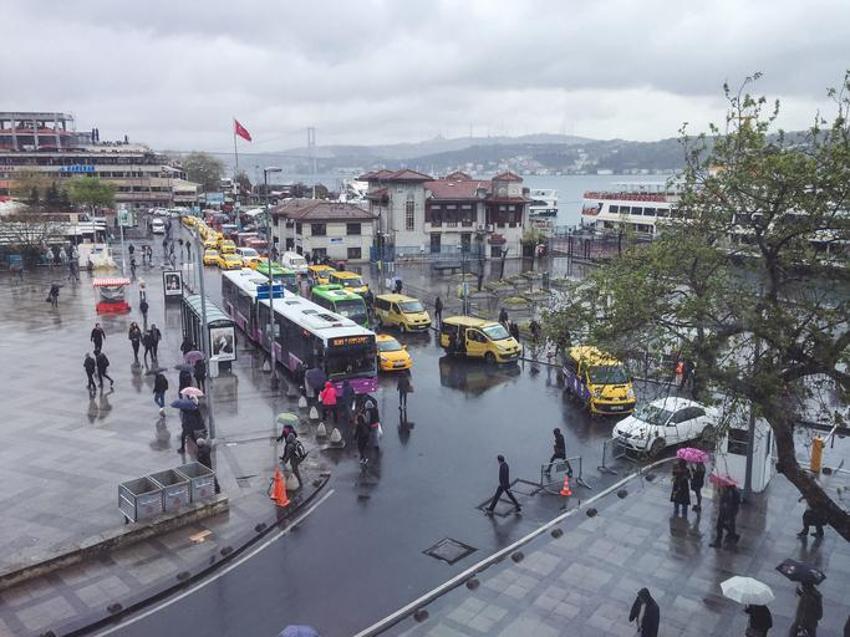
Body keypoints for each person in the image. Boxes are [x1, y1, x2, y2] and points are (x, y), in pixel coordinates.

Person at [709, 482, 741, 547]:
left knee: (720, 526)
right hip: (727, 512)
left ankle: (719, 542)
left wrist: (726, 513)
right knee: (723, 525)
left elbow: (726, 503)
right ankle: (732, 535)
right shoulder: (732, 491)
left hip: (726, 512)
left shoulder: (729, 493)